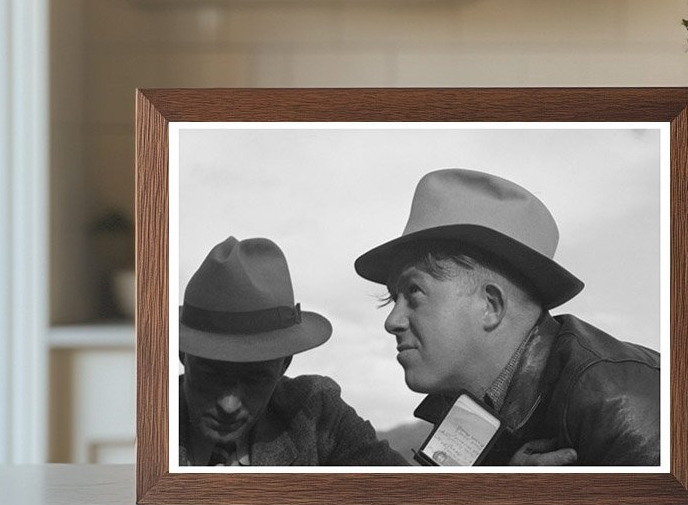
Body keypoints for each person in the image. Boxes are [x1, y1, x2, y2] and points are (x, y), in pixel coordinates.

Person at [354, 168, 661, 466]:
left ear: (491, 305)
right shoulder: (463, 405)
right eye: (395, 298)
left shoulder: (620, 402)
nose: (392, 321)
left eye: (414, 292)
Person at [178, 236, 407, 467]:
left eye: (255, 378)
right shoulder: (148, 419)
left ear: (283, 365)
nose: (229, 406)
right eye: (211, 375)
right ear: (182, 356)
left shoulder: (317, 414)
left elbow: (414, 491)